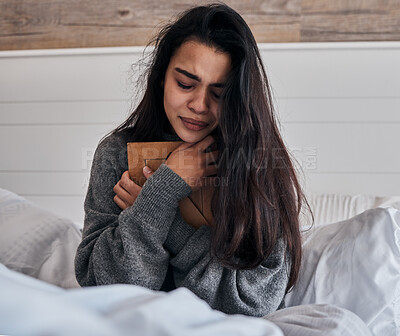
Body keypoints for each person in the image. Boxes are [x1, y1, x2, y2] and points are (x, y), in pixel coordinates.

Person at [75, 3, 307, 317]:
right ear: (161, 78)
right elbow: (101, 289)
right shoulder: (116, 153)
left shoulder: (260, 163)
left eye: (219, 93)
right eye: (185, 84)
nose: (199, 105)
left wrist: (160, 210)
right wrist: (165, 190)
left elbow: (254, 303)